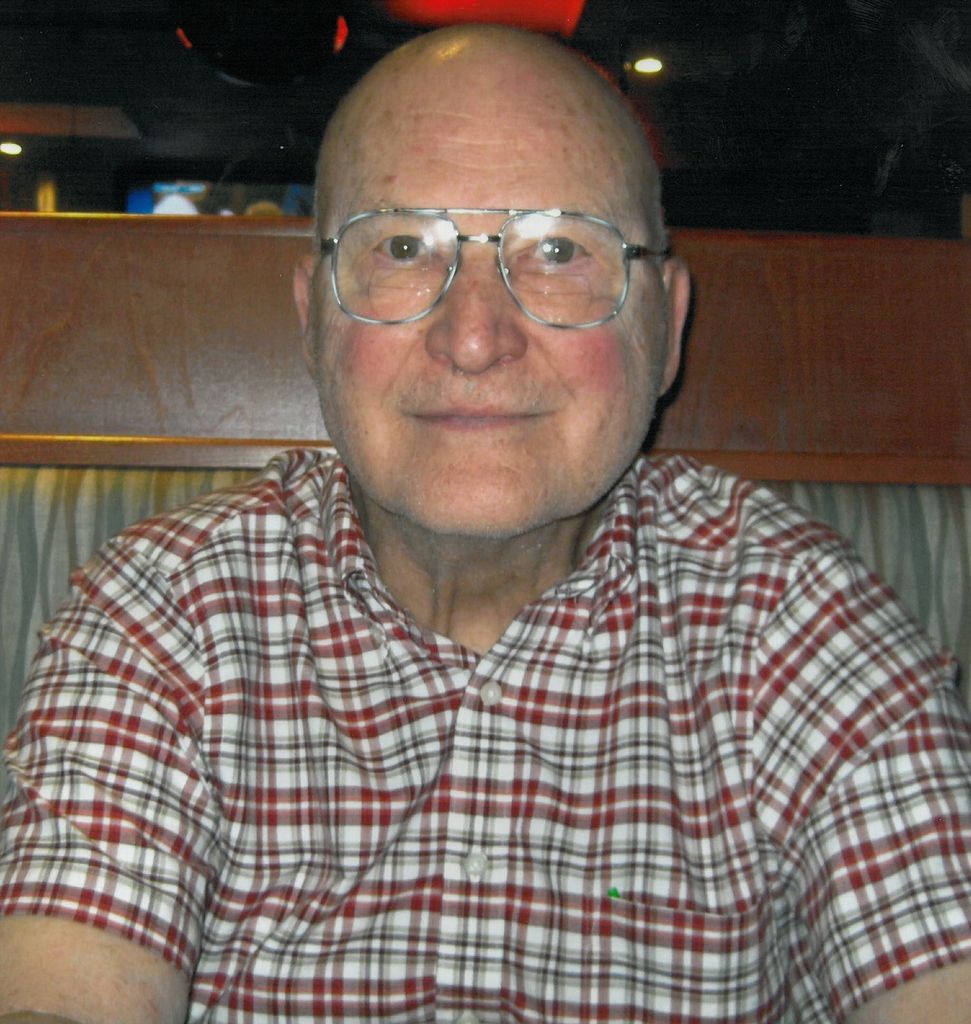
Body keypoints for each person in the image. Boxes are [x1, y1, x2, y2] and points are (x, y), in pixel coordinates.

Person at [1, 23, 971, 1024]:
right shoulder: (167, 613)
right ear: (313, 320)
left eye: (557, 249)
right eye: (401, 247)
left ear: (666, 326)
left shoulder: (795, 619)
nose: (472, 337)